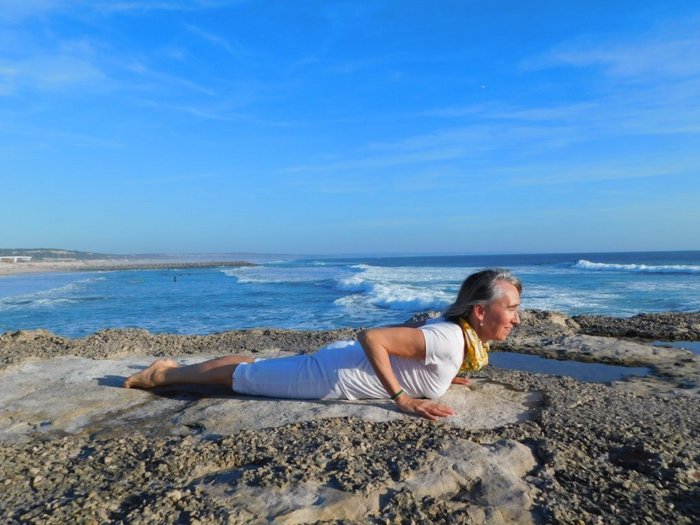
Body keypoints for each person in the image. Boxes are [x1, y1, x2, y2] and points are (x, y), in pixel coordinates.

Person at [124, 268, 522, 420]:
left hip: (340, 362)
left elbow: (417, 349)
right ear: (480, 312)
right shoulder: (449, 340)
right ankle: (163, 374)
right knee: (243, 376)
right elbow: (374, 337)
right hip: (329, 377)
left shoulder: (457, 339)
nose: (519, 318)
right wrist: (402, 398)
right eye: (513, 308)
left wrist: (439, 378)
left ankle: (171, 366)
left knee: (255, 364)